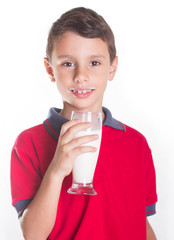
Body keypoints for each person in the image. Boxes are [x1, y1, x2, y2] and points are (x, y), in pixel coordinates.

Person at [10, 7, 157, 240]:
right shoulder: (29, 143)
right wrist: (57, 170)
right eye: (68, 64)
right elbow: (33, 235)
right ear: (50, 69)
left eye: (95, 63)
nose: (81, 75)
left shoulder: (136, 143)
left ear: (112, 67)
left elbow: (141, 222)